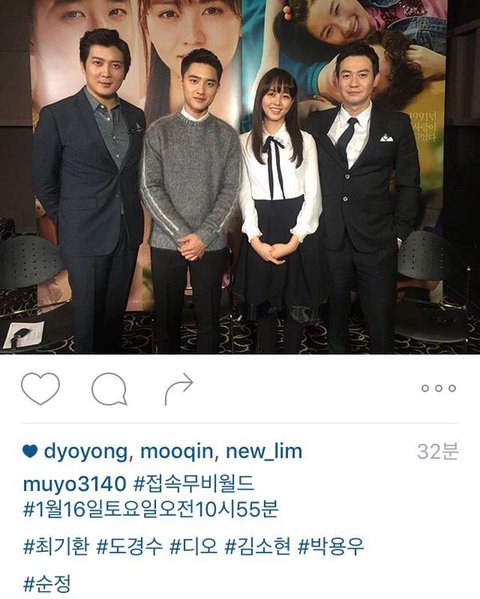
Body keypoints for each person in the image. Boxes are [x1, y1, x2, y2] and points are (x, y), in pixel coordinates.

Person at [32, 28, 146, 353]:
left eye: (115, 65)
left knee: (113, 319)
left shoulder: (136, 116)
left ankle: (110, 374)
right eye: (98, 62)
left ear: (125, 70)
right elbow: (43, 180)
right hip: (84, 235)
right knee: (88, 323)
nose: (106, 72)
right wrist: (68, 221)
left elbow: (134, 174)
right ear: (83, 65)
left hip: (126, 232)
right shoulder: (57, 115)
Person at [306, 42, 421, 353]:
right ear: (337, 79)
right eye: (346, 75)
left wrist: (399, 234)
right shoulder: (316, 124)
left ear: (375, 79)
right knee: (334, 323)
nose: (353, 82)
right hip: (330, 242)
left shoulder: (397, 124)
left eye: (362, 74)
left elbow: (410, 186)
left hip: (378, 243)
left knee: (381, 326)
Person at [140, 48, 241, 353]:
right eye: (194, 80)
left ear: (218, 87)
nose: (201, 89)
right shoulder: (159, 131)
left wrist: (203, 236)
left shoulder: (226, 135)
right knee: (166, 321)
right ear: (181, 81)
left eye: (209, 83)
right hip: (166, 242)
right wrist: (185, 236)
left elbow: (231, 191)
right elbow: (149, 187)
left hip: (210, 244)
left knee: (209, 321)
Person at [234, 68, 328, 354]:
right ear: (260, 96)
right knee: (265, 307)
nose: (278, 101)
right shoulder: (243, 141)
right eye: (272, 93)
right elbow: (244, 193)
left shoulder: (306, 141)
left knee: (295, 305)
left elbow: (314, 195)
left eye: (286, 95)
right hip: (261, 227)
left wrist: (294, 240)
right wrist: (255, 240)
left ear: (292, 101)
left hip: (297, 229)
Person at [29, 0, 138, 119]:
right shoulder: (53, 117)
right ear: (31, 35)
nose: (102, 28)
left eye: (115, 12)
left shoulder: (136, 116)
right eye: (73, 14)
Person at [138, 0, 241, 125]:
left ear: (242, 20)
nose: (192, 38)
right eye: (169, 14)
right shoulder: (131, 121)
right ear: (146, 25)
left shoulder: (258, 119)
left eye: (211, 11)